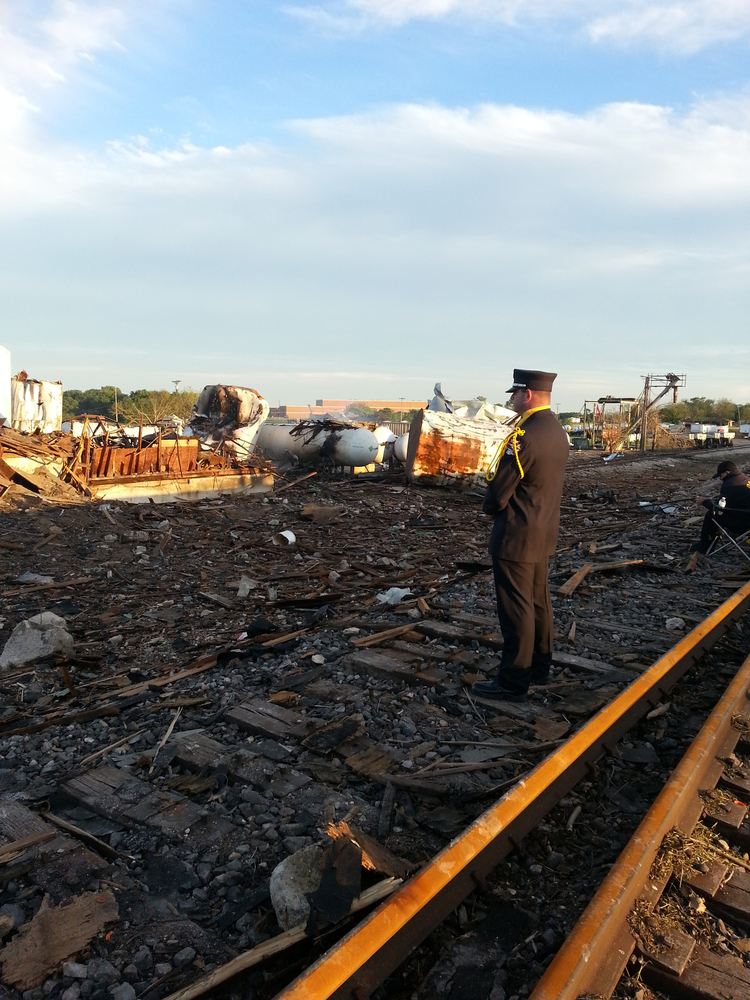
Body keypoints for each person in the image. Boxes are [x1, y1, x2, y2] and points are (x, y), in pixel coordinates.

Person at [472, 369, 569, 702]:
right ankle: (540, 666)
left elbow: (499, 491)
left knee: (516, 609)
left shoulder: (524, 436)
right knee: (539, 601)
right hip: (543, 532)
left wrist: (488, 506)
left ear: (527, 394)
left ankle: (513, 680)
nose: (510, 398)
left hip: (516, 533)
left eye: (514, 393)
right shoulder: (556, 431)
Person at [693, 461, 750, 554]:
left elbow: (718, 509)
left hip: (744, 524)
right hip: (746, 517)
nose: (720, 479)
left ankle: (704, 547)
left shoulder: (731, 484)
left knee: (711, 515)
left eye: (720, 476)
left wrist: (704, 502)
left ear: (726, 473)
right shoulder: (745, 479)